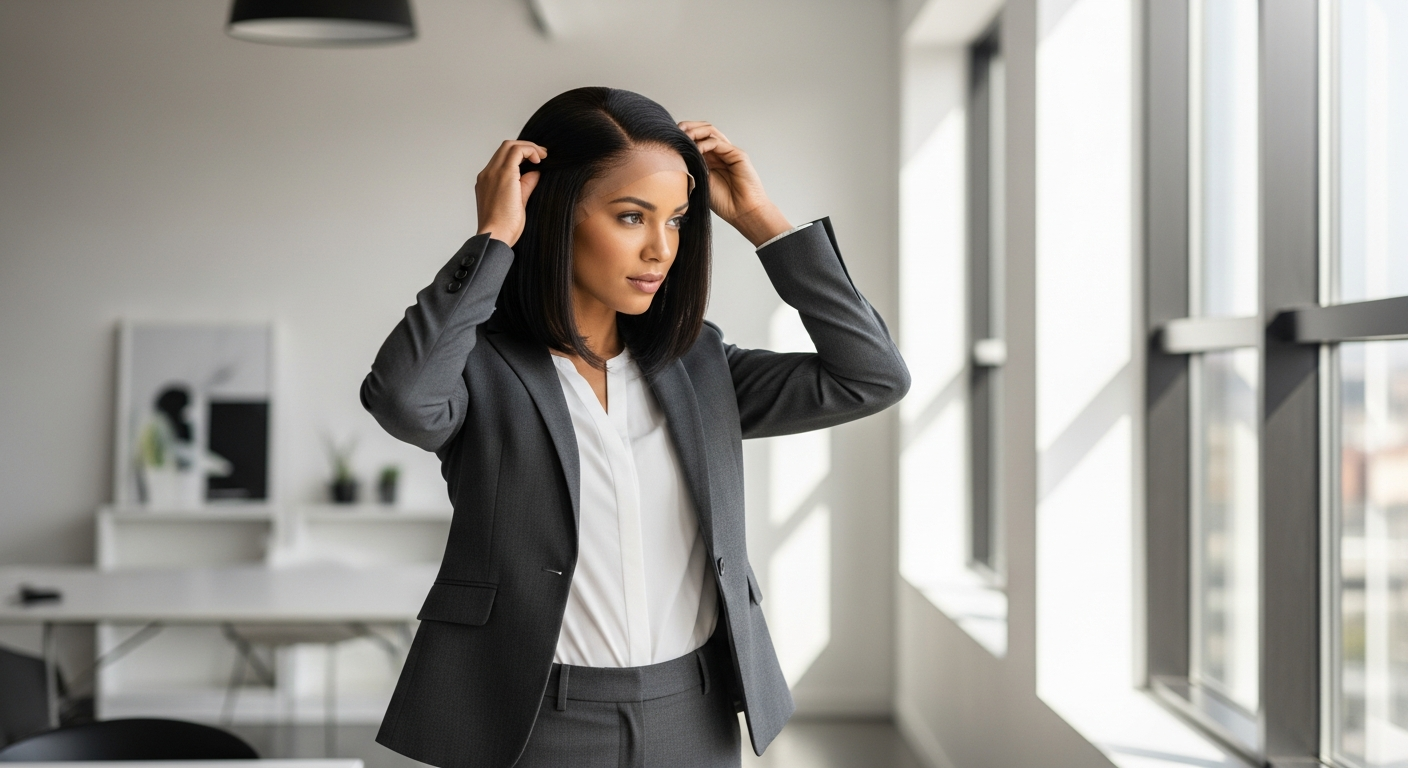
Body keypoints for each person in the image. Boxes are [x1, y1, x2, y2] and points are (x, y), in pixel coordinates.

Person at [361, 87, 909, 768]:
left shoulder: (699, 365)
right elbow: (403, 401)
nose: (661, 249)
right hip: (535, 718)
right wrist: (494, 237)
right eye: (631, 216)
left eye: (677, 220)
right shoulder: (483, 372)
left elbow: (873, 375)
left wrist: (763, 219)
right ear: (553, 214)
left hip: (694, 710)